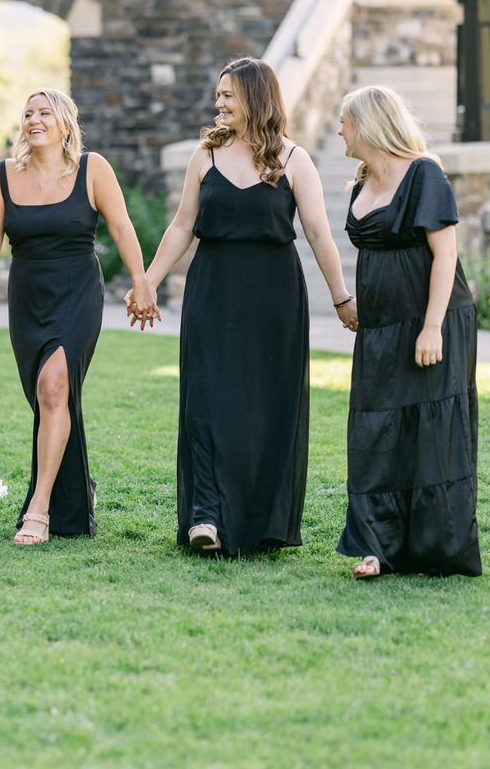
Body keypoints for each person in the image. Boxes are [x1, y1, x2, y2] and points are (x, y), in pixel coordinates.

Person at [136, 57, 357, 557]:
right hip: (212, 290)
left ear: (256, 97)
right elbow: (181, 225)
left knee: (264, 408)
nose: (219, 103)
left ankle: (260, 522)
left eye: (228, 95)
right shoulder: (205, 155)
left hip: (274, 297)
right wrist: (148, 281)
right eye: (218, 95)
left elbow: (320, 234)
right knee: (207, 401)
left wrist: (342, 297)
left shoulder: (294, 159)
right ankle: (206, 517)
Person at [0, 89, 159, 544]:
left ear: (65, 123)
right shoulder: (5, 175)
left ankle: (40, 507)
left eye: (44, 112)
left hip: (76, 293)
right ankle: (78, 489)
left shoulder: (93, 169)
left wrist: (141, 280)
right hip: (28, 297)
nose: (33, 119)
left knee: (55, 388)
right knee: (47, 399)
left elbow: (122, 226)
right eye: (27, 113)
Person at [335, 85, 481, 579]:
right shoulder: (361, 181)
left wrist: (432, 327)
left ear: (369, 124)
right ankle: (378, 544)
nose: (339, 129)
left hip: (432, 321)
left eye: (344, 121)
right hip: (379, 327)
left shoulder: (424, 174)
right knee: (375, 429)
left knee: (429, 429)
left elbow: (446, 254)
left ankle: (431, 548)